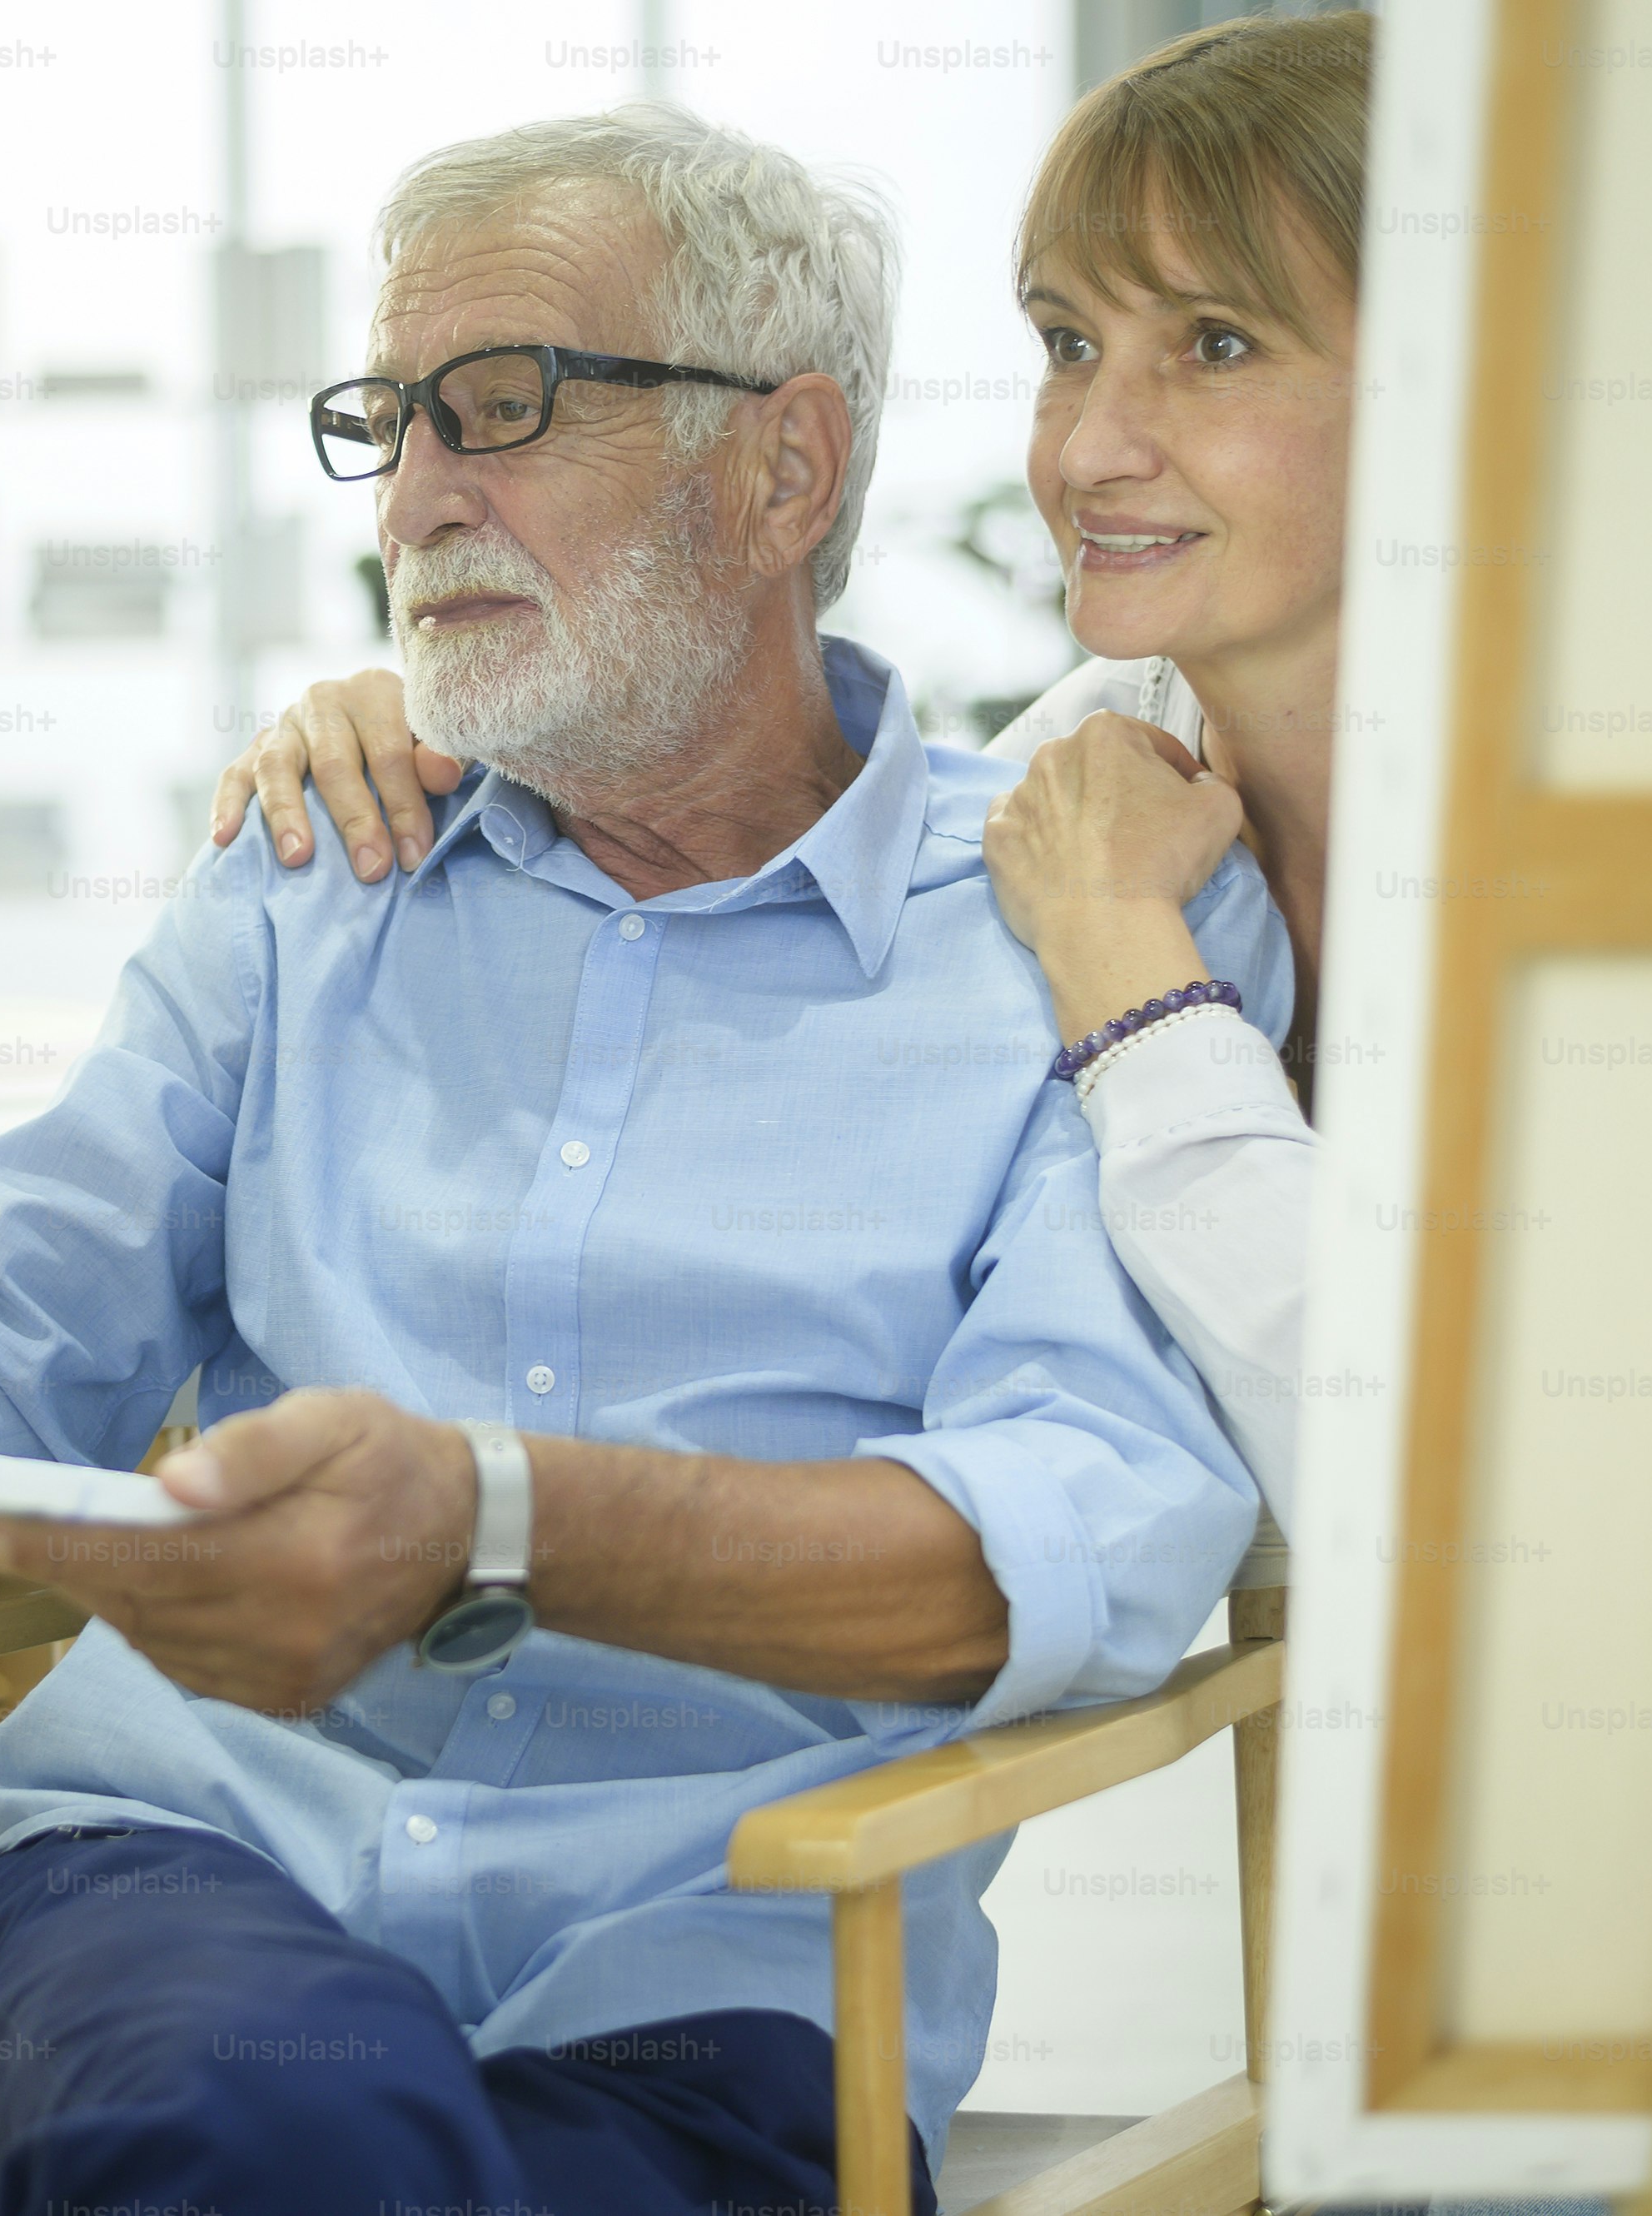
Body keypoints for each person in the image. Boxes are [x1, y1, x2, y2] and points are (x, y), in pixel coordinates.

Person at [0, 106, 1284, 2216]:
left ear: (782, 467)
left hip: (716, 1969)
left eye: (506, 408)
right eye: (387, 420)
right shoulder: (302, 878)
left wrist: (498, 1518)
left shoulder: (1077, 911)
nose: (417, 495)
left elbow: (1064, 1540)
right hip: (184, 1885)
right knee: (269, 2142)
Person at [210, 12, 1364, 1530]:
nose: (1087, 452)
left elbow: (1424, 1484)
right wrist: (451, 718)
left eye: (1215, 346)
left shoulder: (1593, 855)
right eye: (1069, 346)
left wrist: (1130, 973)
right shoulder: (1064, 785)